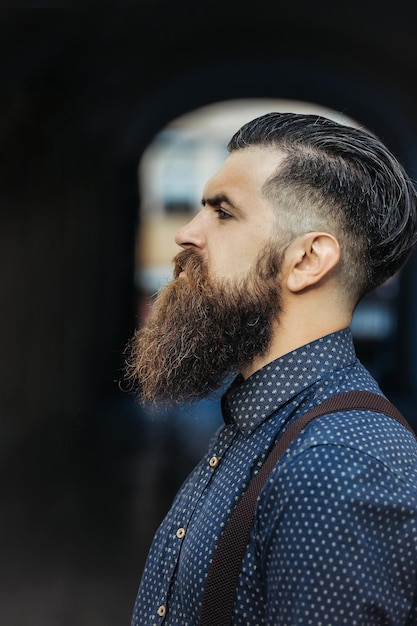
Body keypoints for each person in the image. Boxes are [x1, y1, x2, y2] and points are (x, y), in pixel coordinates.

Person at [124, 112, 417, 625]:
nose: (187, 234)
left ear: (307, 260)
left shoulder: (336, 467)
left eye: (224, 212)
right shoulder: (261, 424)